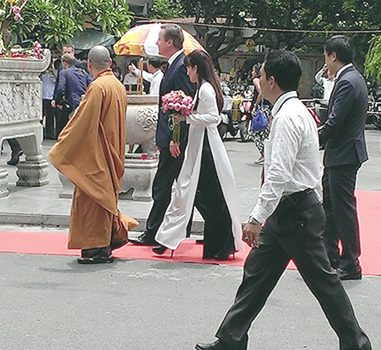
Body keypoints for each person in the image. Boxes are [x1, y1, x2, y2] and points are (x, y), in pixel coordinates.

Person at [195, 49, 373, 350]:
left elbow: (278, 174)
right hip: (292, 211)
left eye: (260, 75)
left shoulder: (289, 116)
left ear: (271, 81)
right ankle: (231, 338)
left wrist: (255, 218)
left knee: (324, 283)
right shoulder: (294, 110)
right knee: (255, 276)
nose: (258, 80)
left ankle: (356, 346)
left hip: (295, 213)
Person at [48, 46, 137, 264]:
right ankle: (106, 241)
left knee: (91, 200)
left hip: (97, 153)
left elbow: (83, 121)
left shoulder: (97, 87)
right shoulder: (117, 85)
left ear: (89, 64)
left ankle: (96, 248)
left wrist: (62, 144)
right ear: (110, 63)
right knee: (104, 199)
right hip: (113, 151)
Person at [153, 49, 244, 260]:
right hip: (200, 145)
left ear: (196, 68)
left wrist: (188, 117)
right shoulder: (202, 88)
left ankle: (220, 243)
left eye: (188, 67)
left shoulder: (205, 90)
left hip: (206, 148)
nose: (187, 72)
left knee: (204, 196)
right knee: (196, 194)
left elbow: (213, 117)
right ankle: (175, 239)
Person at [132, 24, 196, 246]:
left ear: (170, 42)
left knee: (163, 184)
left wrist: (174, 138)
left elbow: (182, 106)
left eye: (160, 40)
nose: (157, 44)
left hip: (175, 138)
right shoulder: (173, 65)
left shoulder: (180, 66)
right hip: (169, 136)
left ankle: (153, 231)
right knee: (176, 184)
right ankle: (173, 230)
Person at [319, 35, 368, 281]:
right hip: (341, 152)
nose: (325, 63)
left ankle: (350, 262)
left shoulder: (348, 81)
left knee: (342, 209)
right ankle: (331, 257)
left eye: (325, 57)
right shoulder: (350, 78)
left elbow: (335, 122)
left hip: (344, 153)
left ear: (333, 56)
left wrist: (312, 140)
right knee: (331, 207)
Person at [250, 63, 270, 164]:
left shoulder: (256, 80)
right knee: (265, 132)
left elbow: (261, 92)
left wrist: (255, 105)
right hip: (267, 108)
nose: (252, 72)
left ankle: (263, 153)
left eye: (253, 70)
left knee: (254, 132)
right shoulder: (264, 81)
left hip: (261, 109)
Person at [41, 61, 57, 140]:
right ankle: (41, 133)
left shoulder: (55, 72)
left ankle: (50, 133)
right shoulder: (42, 73)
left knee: (50, 117)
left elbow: (58, 80)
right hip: (42, 96)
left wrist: (53, 73)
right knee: (41, 116)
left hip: (51, 97)